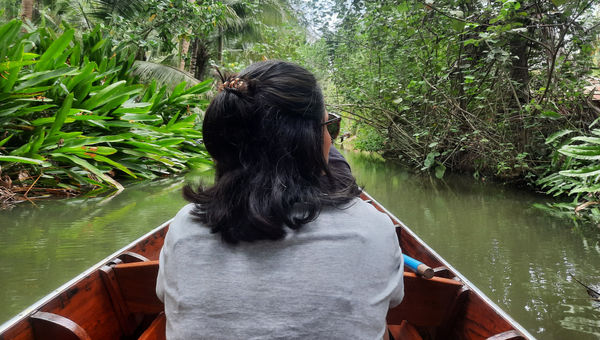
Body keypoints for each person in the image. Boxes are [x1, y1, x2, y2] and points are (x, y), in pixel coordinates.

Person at [156, 60, 404, 340]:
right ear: (308, 138)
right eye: (327, 126)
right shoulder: (374, 227)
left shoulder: (183, 228)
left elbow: (166, 297)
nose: (329, 139)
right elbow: (392, 301)